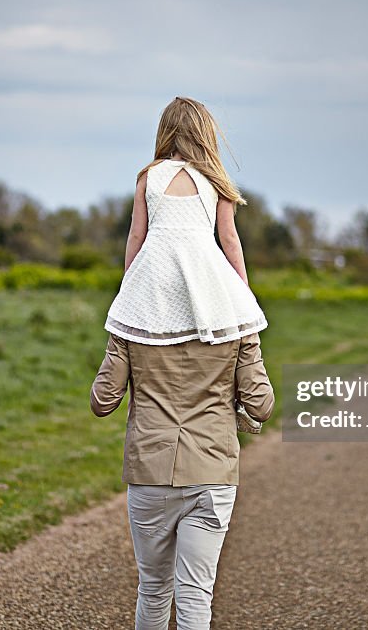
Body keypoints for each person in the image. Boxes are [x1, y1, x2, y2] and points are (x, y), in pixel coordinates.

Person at [90, 96, 275, 630]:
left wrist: (130, 300)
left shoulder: (148, 178)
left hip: (149, 474)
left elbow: (103, 401)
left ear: (164, 132)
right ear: (208, 136)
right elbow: (230, 240)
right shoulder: (217, 185)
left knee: (153, 591)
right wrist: (240, 304)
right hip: (213, 473)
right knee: (196, 599)